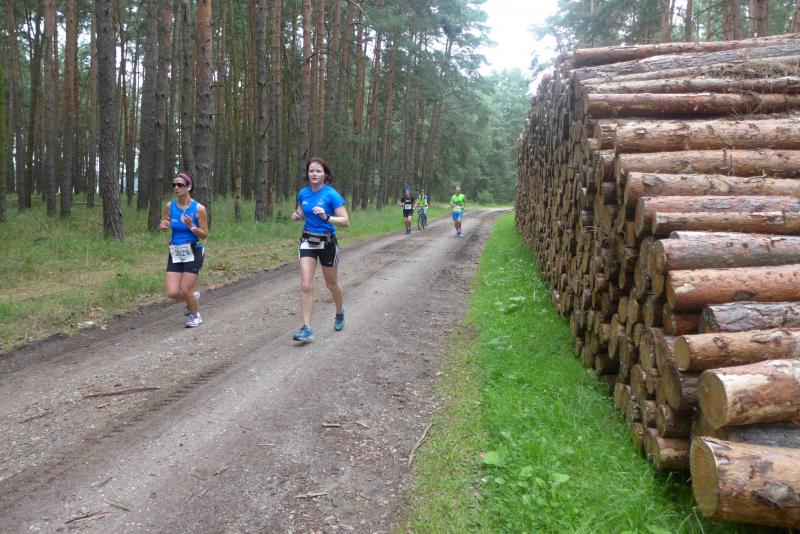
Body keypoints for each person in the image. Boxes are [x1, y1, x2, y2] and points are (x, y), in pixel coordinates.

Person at [290, 157, 350, 343]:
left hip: (327, 242)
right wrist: (297, 215)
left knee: (331, 284)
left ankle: (339, 312)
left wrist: (326, 217)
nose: (314, 174)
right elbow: (301, 211)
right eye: (311, 171)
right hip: (308, 240)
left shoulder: (331, 194)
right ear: (307, 173)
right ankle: (307, 328)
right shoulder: (303, 193)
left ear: (325, 174)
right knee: (305, 284)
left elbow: (346, 221)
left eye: (318, 171)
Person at [159, 171, 209, 328]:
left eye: (180, 185)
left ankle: (195, 316)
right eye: (174, 185)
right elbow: (165, 224)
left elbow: (204, 235)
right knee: (172, 292)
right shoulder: (170, 206)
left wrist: (191, 226)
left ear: (189, 187)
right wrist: (162, 226)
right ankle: (192, 298)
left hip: (193, 250)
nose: (176, 187)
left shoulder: (199, 209)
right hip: (176, 251)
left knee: (185, 290)